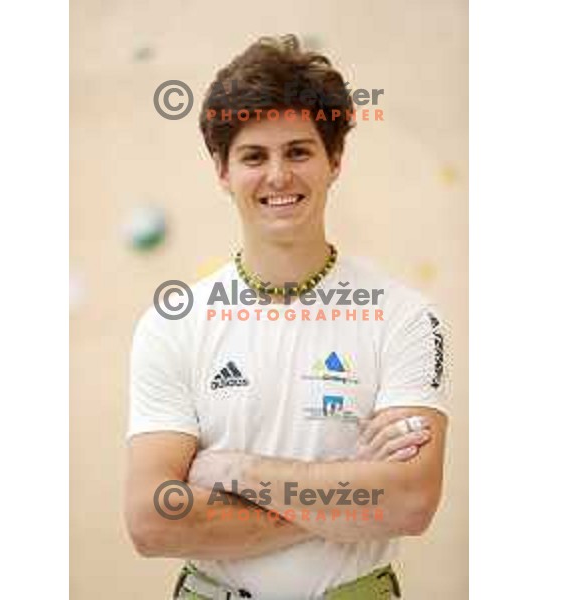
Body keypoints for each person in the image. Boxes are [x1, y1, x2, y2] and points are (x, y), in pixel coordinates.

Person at [125, 35, 448, 599]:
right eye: (255, 156)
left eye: (298, 151)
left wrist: (234, 473)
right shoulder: (173, 323)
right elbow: (152, 522)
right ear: (222, 171)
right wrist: (346, 499)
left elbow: (410, 500)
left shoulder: (404, 317)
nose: (278, 176)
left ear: (334, 161)